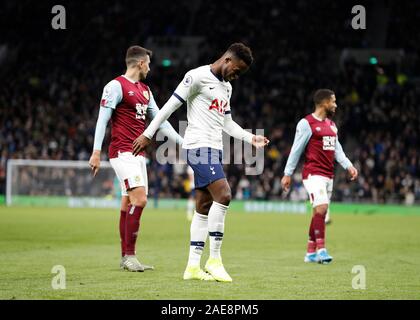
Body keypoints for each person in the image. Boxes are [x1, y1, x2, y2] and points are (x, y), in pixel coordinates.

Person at [132, 43, 269, 282]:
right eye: (236, 70)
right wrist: (148, 133)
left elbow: (227, 123)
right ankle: (214, 260)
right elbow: (168, 108)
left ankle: (192, 267)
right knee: (224, 195)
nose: (236, 77)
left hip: (215, 149)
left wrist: (250, 137)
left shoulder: (227, 88)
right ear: (227, 59)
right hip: (197, 146)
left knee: (204, 206)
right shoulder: (196, 77)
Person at [88, 45, 183, 272]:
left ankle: (125, 257)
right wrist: (96, 151)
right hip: (122, 152)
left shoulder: (146, 90)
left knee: (128, 202)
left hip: (139, 155)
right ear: (140, 63)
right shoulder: (115, 86)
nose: (150, 68)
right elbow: (102, 120)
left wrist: (183, 142)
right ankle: (130, 256)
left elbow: (160, 120)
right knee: (139, 200)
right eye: (148, 63)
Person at [281, 89, 358, 264]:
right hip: (312, 174)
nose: (336, 105)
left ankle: (310, 252)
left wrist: (349, 166)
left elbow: (337, 150)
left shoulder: (331, 125)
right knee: (322, 208)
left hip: (328, 176)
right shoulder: (306, 123)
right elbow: (296, 149)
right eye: (334, 101)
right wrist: (287, 174)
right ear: (324, 103)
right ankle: (322, 250)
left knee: (318, 212)